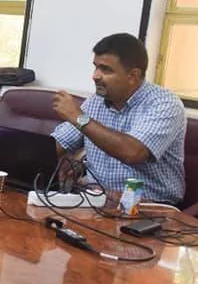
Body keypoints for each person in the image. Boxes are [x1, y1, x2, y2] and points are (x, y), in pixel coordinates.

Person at [51, 33, 186, 204]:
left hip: (148, 207)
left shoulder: (164, 103)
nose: (95, 76)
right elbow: (59, 143)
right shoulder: (96, 101)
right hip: (95, 199)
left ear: (133, 76)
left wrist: (78, 117)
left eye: (105, 69)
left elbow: (133, 153)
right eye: (95, 67)